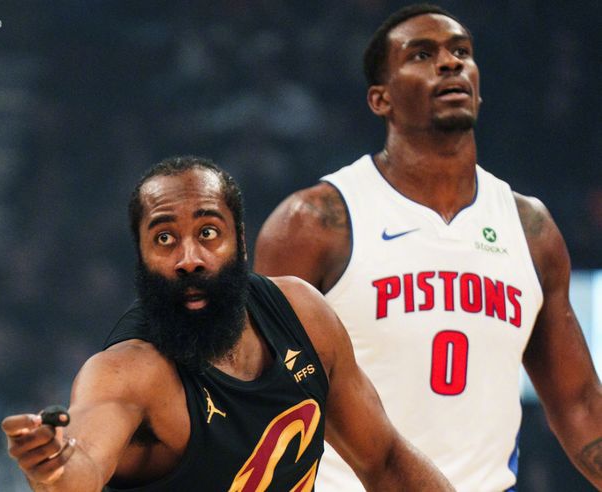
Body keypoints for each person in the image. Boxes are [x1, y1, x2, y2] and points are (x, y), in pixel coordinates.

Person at [254, 4, 602, 492]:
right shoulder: (313, 224)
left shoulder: (530, 229)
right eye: (421, 54)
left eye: (461, 52)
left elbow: (578, 402)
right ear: (381, 99)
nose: (450, 63)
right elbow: (260, 406)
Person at [2, 156, 453, 491]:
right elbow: (81, 468)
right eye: (164, 238)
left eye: (208, 233)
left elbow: (385, 461)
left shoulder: (304, 316)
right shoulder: (129, 371)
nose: (189, 258)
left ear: (240, 241)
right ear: (140, 257)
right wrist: (54, 468)